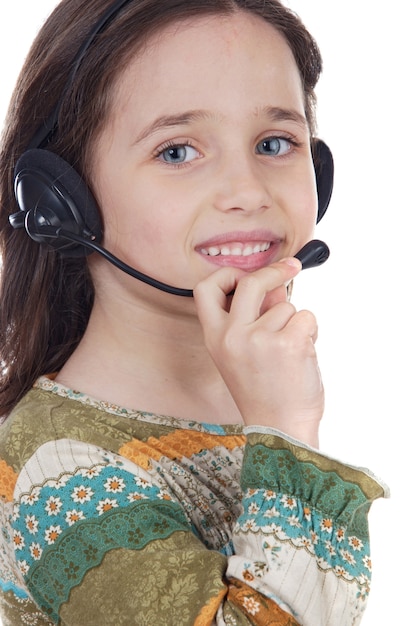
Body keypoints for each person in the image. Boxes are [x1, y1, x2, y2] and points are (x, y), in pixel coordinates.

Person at [0, 0, 387, 624]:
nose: (248, 191)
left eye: (275, 142)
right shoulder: (60, 470)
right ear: (63, 200)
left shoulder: (253, 393)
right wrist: (287, 431)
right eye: (178, 151)